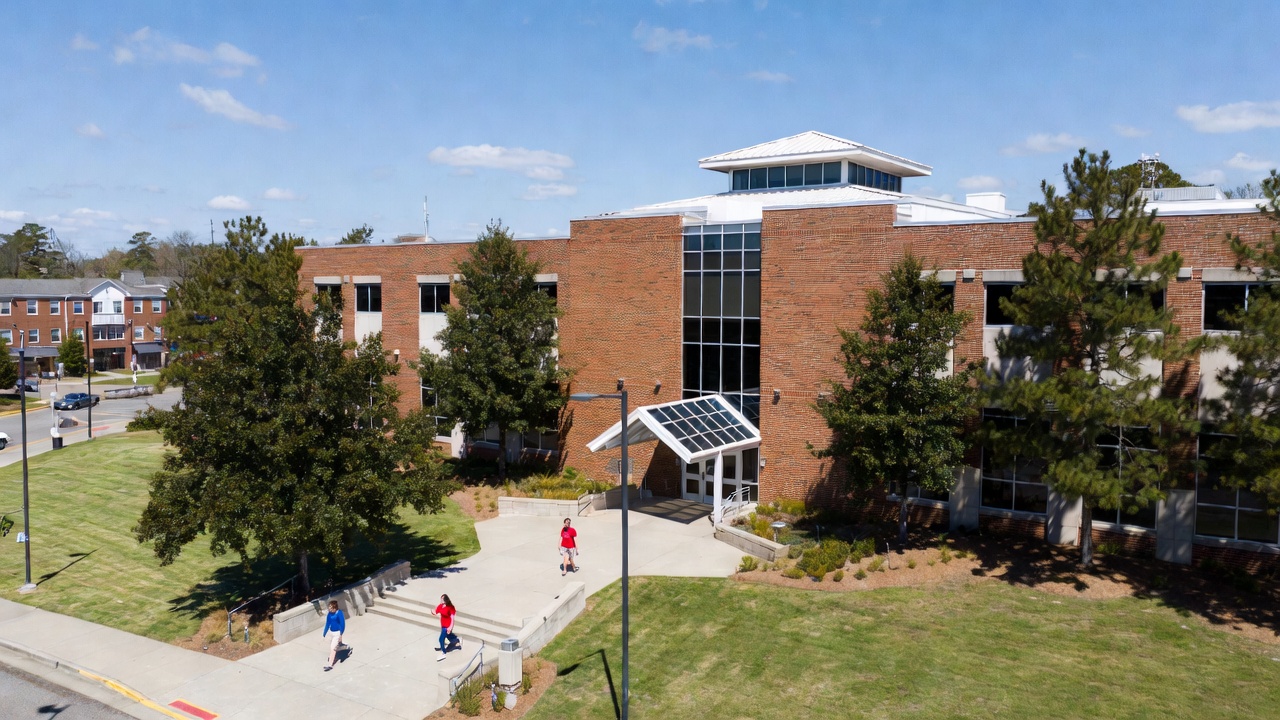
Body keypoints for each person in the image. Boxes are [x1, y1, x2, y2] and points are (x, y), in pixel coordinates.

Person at [432, 594, 460, 661]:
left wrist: (450, 627)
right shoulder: (441, 606)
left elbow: (452, 619)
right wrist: (432, 612)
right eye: (441, 599)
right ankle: (456, 640)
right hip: (443, 624)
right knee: (448, 636)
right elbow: (436, 612)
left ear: (445, 600)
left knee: (441, 639)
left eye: (442, 599)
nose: (441, 600)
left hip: (447, 626)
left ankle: (443, 652)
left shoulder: (450, 607)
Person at [322, 600, 345, 671]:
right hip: (331, 632)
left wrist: (341, 634)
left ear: (335, 608)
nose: (330, 609)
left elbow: (342, 624)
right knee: (335, 645)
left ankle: (330, 665)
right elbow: (328, 623)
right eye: (329, 607)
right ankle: (342, 646)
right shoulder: (329, 614)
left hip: (337, 633)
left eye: (331, 608)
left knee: (333, 648)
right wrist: (325, 632)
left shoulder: (339, 613)